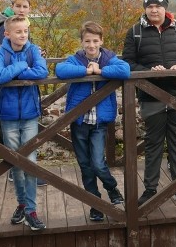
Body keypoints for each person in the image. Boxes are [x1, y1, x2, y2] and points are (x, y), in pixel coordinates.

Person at [122, 0, 176, 208]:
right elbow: (127, 62)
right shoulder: (135, 31)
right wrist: (147, 71)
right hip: (150, 96)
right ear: (145, 9)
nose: (154, 10)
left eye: (158, 6)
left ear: (165, 8)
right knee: (153, 144)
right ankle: (150, 190)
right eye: (150, 6)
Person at [55, 21, 129, 221]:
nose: (91, 45)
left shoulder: (108, 58)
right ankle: (95, 204)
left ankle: (112, 189)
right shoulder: (76, 59)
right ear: (81, 42)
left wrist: (100, 71)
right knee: (85, 166)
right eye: (87, 41)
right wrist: (87, 71)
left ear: (101, 41)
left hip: (99, 123)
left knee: (97, 163)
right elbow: (60, 70)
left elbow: (125, 71)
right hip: (79, 121)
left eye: (95, 41)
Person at [0, 15, 49, 230]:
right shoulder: (0, 53)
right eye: (18, 32)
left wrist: (13, 71)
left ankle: (31, 210)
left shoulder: (34, 50)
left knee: (30, 161)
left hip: (30, 114)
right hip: (8, 116)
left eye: (25, 31)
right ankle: (22, 204)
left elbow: (42, 72)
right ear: (7, 34)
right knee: (16, 161)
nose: (23, 35)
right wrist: (22, 66)